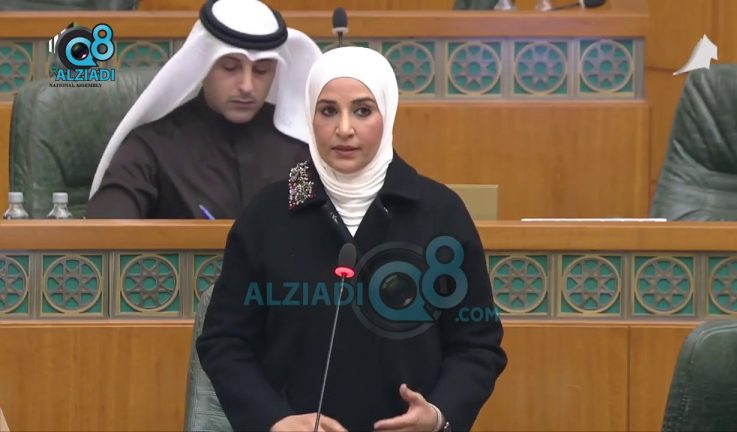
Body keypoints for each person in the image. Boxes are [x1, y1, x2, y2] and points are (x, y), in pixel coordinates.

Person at [196, 46, 507, 432]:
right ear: (309, 116)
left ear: (387, 114)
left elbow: (477, 343)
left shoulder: (439, 212)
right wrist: (274, 420)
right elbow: (224, 342)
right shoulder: (268, 212)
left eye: (362, 111)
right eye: (328, 111)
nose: (344, 128)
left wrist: (439, 414)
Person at [86, 0, 321, 219]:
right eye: (230, 68)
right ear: (203, 67)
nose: (247, 86)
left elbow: (310, 224)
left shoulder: (297, 152)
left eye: (261, 71)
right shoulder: (150, 149)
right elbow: (106, 234)